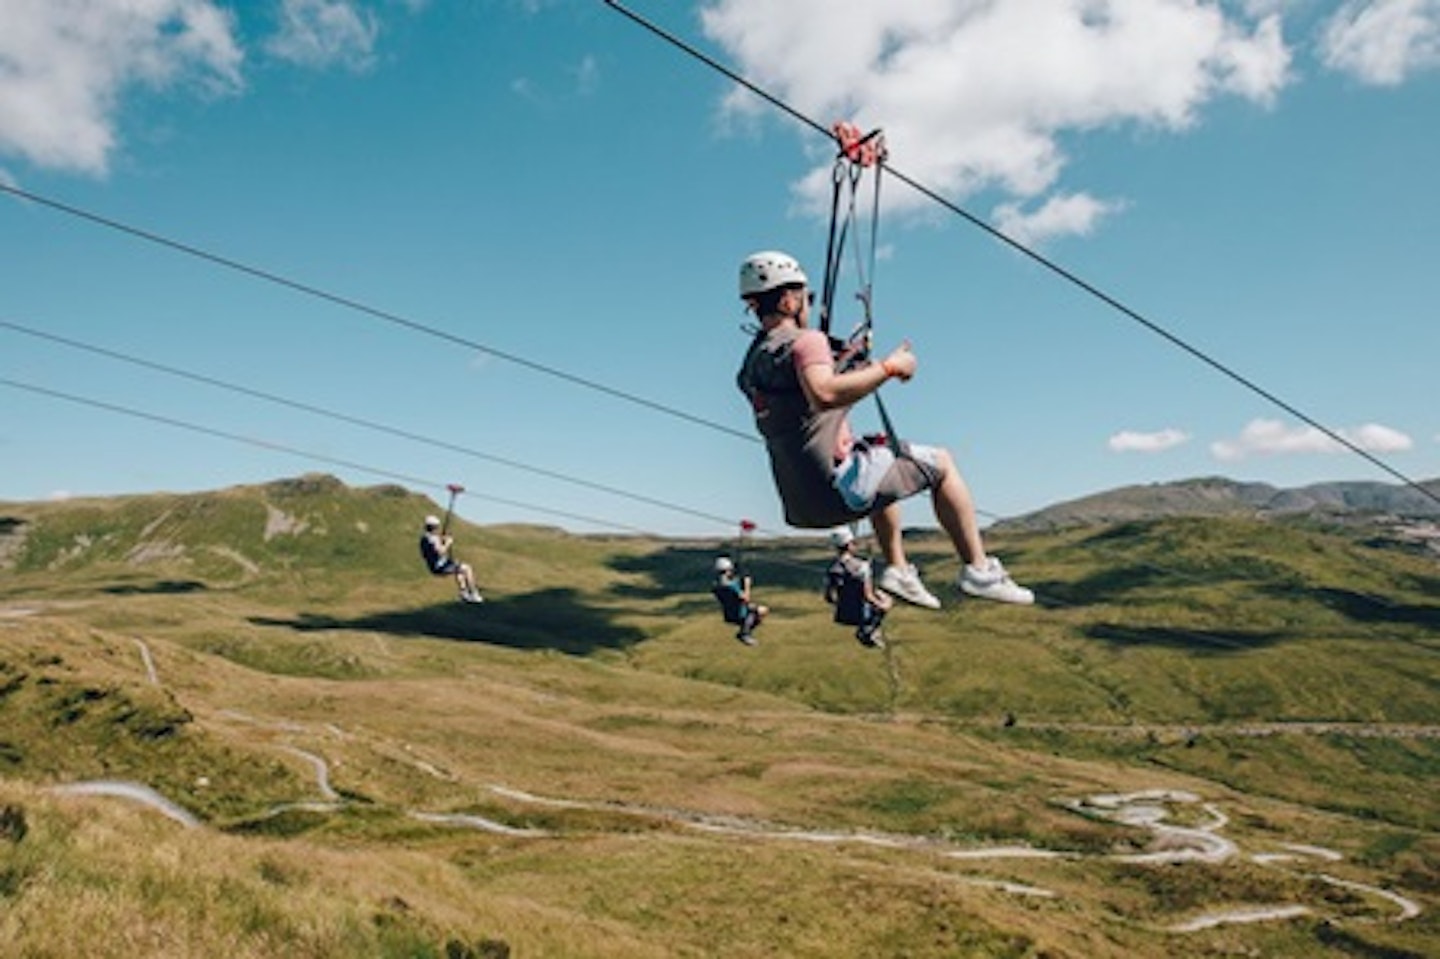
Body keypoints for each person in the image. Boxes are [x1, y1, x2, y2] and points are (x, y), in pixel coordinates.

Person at [735, 250, 1032, 608]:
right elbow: (824, 394)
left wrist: (854, 366)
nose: (808, 305)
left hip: (800, 504)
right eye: (806, 297)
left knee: (878, 454)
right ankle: (979, 571)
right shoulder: (806, 341)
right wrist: (889, 368)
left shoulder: (753, 364)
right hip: (835, 491)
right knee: (942, 463)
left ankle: (899, 570)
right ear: (788, 298)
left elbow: (801, 408)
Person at [824, 526, 892, 648]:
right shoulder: (861, 567)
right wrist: (883, 605)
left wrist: (842, 602)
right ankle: (869, 630)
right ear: (850, 545)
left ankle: (869, 630)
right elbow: (868, 596)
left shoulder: (833, 569)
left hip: (844, 614)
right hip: (862, 614)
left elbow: (829, 597)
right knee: (886, 600)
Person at [419, 515, 483, 603]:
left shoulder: (425, 538)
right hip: (440, 566)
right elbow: (440, 551)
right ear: (434, 527)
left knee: (459, 568)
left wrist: (442, 540)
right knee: (467, 568)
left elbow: (432, 550)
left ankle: (464, 593)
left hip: (436, 565)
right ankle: (474, 593)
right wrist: (448, 543)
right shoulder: (433, 538)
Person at [712, 556, 768, 646]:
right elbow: (745, 598)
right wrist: (747, 584)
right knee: (760, 611)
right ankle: (745, 634)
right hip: (739, 613)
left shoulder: (717, 585)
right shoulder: (731, 585)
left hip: (728, 614)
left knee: (757, 610)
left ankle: (745, 630)